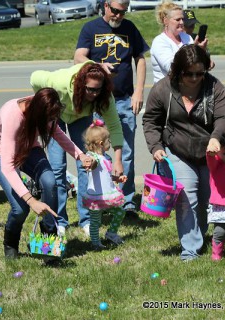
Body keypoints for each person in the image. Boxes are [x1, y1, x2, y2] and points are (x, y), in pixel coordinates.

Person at [143, 45, 225, 260]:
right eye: (188, 73)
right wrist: (156, 147)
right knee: (187, 197)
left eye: (199, 73)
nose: (194, 78)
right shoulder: (163, 89)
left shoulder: (214, 87)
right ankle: (190, 249)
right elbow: (150, 121)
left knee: (205, 198)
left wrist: (216, 137)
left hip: (209, 152)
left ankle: (199, 236)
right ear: (178, 71)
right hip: (178, 150)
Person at [0, 88, 94, 258]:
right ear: (37, 113)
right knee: (20, 208)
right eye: (50, 119)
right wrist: (31, 200)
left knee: (50, 182)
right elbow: (7, 166)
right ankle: (11, 244)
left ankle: (48, 239)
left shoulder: (45, 109)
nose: (52, 122)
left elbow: (58, 134)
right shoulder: (12, 115)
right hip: (0, 155)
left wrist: (80, 155)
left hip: (29, 149)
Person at [74, 0, 149, 217]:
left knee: (125, 152)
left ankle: (124, 201)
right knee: (96, 152)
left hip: (124, 99)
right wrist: (97, 66)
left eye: (123, 12)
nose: (118, 16)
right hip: (96, 101)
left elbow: (140, 59)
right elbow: (78, 56)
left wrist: (139, 91)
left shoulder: (130, 28)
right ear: (106, 5)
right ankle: (98, 197)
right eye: (115, 10)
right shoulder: (90, 28)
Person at [30, 62, 123, 237]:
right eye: (90, 89)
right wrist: (44, 104)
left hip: (80, 115)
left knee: (87, 166)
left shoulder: (103, 96)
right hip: (57, 115)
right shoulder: (58, 83)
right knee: (57, 168)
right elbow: (34, 77)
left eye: (97, 90)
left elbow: (115, 126)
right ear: (81, 84)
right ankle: (60, 221)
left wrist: (117, 159)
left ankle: (86, 220)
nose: (93, 94)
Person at [83, 119, 127, 250]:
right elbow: (92, 162)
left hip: (107, 196)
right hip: (96, 198)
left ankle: (111, 233)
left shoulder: (106, 157)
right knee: (95, 222)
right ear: (101, 143)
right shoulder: (93, 156)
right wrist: (89, 162)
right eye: (109, 141)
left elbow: (105, 176)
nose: (110, 143)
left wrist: (117, 179)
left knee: (120, 211)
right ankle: (96, 243)